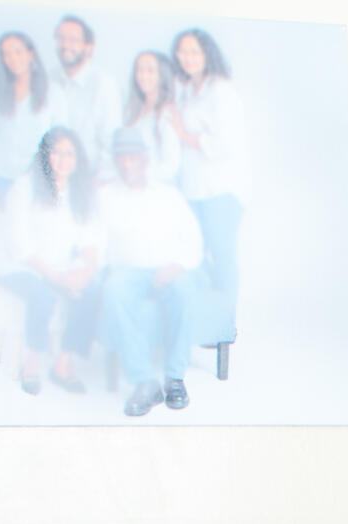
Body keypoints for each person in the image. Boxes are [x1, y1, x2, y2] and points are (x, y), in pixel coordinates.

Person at [97, 125, 205, 416]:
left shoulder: (167, 194)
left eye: (132, 157)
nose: (127, 163)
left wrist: (177, 265)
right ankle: (145, 382)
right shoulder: (106, 196)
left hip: (167, 269)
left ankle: (174, 378)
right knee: (112, 290)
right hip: (126, 272)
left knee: (185, 288)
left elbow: (193, 237)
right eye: (121, 158)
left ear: (144, 158)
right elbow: (94, 239)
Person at [0, 126, 104, 395]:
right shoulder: (25, 187)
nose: (63, 159)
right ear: (44, 155)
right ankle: (31, 362)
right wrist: (59, 279)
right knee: (43, 295)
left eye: (69, 153)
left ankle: (63, 362)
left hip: (61, 268)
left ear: (78, 159)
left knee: (92, 290)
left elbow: (90, 239)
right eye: (56, 152)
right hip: (22, 268)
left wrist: (86, 272)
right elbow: (20, 246)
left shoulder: (80, 193)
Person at [167, 27, 249, 364]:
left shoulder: (221, 90)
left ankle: (224, 330)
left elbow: (223, 145)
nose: (187, 58)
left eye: (194, 52)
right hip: (191, 191)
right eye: (181, 51)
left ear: (208, 54)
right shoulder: (187, 90)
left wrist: (185, 134)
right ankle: (206, 322)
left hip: (219, 192)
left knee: (223, 260)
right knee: (195, 259)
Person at [0, 31, 50, 205]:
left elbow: (59, 140)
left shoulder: (52, 94)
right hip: (1, 180)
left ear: (30, 54)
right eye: (6, 54)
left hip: (37, 182)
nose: (13, 58)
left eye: (18, 51)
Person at [47, 15, 115, 172]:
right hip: (54, 178)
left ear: (88, 46)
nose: (65, 44)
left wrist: (101, 178)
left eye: (73, 40)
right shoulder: (49, 80)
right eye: (61, 38)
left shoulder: (104, 84)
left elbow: (110, 140)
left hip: (90, 176)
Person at [116, 46, 183, 184]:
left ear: (162, 74)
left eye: (150, 70)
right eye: (139, 70)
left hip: (157, 189)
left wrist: (143, 179)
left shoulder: (167, 113)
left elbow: (171, 165)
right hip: (132, 186)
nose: (143, 75)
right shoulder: (133, 112)